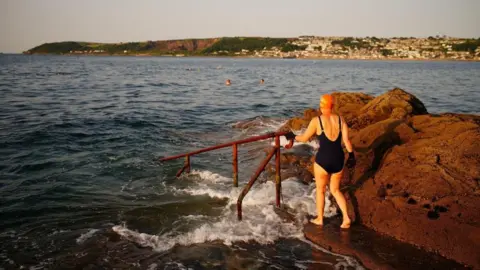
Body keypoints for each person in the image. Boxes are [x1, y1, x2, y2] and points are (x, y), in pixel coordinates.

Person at [285, 94, 356, 229]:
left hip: (323, 160)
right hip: (339, 159)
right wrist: (352, 156)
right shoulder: (340, 120)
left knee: (321, 190)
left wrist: (293, 136)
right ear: (333, 106)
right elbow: (346, 140)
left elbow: (305, 138)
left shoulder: (317, 120)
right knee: (335, 190)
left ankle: (320, 219)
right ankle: (346, 218)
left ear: (321, 106)